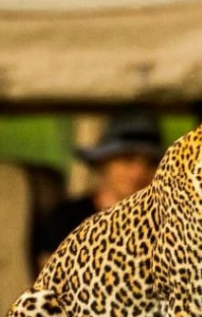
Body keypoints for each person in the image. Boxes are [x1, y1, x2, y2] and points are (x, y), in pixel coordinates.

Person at [32, 111, 163, 270]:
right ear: (103, 163)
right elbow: (49, 282)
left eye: (151, 163)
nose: (139, 172)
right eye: (127, 159)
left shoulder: (166, 223)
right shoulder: (66, 220)